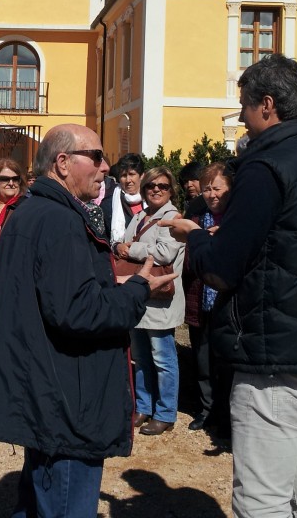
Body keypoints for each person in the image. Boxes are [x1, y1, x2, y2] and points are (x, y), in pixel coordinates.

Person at [166, 54, 297, 518]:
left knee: (263, 500)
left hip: (279, 359)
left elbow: (220, 269)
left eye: (244, 106)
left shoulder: (264, 167)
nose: (241, 118)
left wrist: (194, 235)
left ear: (268, 105)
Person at [0, 124, 174, 517]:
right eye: (97, 157)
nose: (106, 168)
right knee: (66, 502)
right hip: (67, 398)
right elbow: (78, 312)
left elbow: (53, 293)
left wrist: (110, 285)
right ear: (63, 163)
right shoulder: (59, 219)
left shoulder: (31, 211)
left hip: (47, 388)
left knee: (41, 497)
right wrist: (138, 290)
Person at [113, 165, 184, 436]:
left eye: (162, 186)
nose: (156, 190)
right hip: (141, 296)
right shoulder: (140, 215)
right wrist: (120, 246)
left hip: (160, 299)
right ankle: (143, 407)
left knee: (163, 359)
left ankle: (165, 413)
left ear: (171, 190)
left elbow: (165, 253)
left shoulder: (173, 217)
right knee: (141, 357)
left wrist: (132, 249)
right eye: (151, 186)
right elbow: (124, 242)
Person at [183, 162, 233, 438]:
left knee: (226, 362)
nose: (212, 194)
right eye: (206, 189)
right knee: (202, 359)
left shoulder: (237, 217)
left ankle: (227, 416)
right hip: (200, 298)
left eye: (217, 188)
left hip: (228, 303)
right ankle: (206, 409)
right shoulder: (196, 216)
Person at [108, 152, 146, 244]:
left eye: (132, 174)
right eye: (124, 175)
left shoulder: (152, 201)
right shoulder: (108, 204)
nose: (128, 180)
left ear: (141, 176)